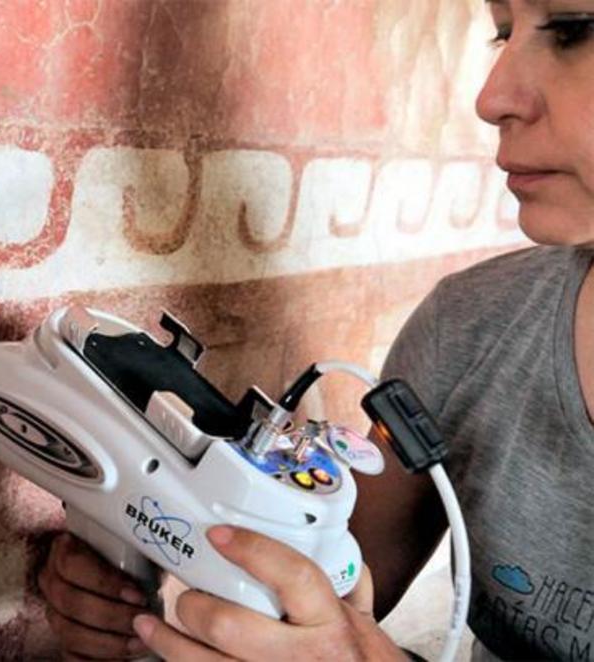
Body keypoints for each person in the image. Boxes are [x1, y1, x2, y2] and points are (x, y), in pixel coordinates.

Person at [36, 0, 594, 659]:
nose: (491, 96)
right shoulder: (470, 327)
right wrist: (164, 590)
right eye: (503, 30)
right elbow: (327, 603)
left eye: (571, 28)